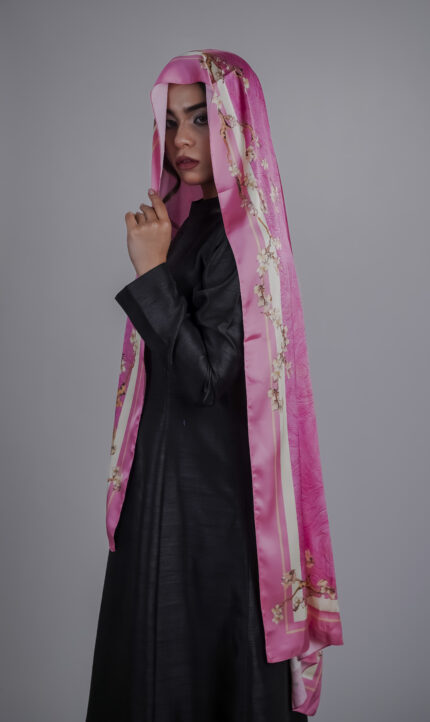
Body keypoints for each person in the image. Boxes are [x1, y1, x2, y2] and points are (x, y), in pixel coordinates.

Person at [86, 50, 343, 721]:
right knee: (157, 668)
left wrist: (151, 272)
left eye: (201, 118)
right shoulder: (194, 223)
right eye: (171, 122)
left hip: (214, 512)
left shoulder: (242, 238)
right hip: (169, 490)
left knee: (194, 673)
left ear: (238, 121)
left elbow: (206, 378)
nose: (182, 139)